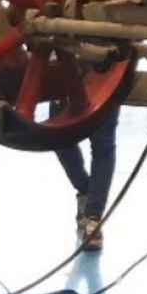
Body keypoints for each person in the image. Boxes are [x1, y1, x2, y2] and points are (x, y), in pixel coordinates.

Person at [54, 106, 118, 252]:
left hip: (108, 86)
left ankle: (93, 219)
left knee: (103, 145)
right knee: (57, 138)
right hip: (62, 89)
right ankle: (87, 193)